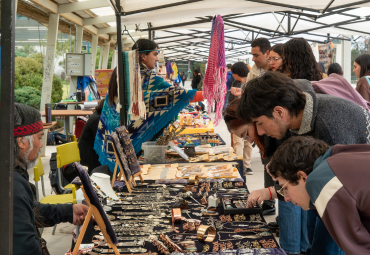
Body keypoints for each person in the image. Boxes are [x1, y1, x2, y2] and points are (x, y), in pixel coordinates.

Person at [238, 71, 370, 255]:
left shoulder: (330, 125)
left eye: (259, 123)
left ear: (279, 112)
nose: (259, 132)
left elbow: (342, 217)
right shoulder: (296, 120)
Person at [94, 39, 197, 171]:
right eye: (155, 54)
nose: (157, 58)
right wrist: (210, 93)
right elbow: (178, 94)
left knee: (118, 177)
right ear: (143, 56)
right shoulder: (147, 78)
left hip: (111, 139)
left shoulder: (121, 73)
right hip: (126, 139)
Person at [268, 136, 370, 255]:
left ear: (302, 176)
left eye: (285, 188)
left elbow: (360, 249)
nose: (286, 198)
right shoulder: (337, 154)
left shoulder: (322, 180)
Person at [13, 103, 89, 255]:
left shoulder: (13, 178)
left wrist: (69, 212)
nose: (41, 144)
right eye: (39, 138)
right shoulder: (12, 186)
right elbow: (27, 249)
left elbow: (30, 210)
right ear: (21, 142)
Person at [229, 62, 253, 175]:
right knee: (239, 142)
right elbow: (230, 101)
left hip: (249, 117)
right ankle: (241, 166)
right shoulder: (235, 83)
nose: (233, 75)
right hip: (237, 117)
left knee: (248, 142)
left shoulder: (251, 83)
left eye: (234, 73)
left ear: (238, 72)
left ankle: (246, 166)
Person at [78, 99, 104, 175]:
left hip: (88, 152)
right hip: (88, 157)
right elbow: (101, 140)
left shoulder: (98, 115)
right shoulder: (98, 118)